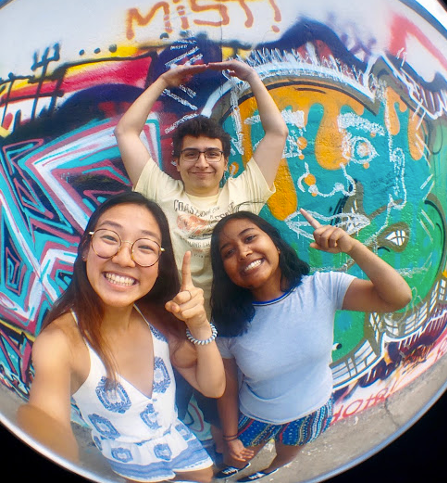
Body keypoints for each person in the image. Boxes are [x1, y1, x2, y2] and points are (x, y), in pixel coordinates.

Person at [17, 192, 225, 483]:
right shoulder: (61, 342)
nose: (124, 258)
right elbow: (47, 426)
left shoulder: (155, 317)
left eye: (145, 246)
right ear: (86, 249)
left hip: (177, 439)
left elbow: (212, 386)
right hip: (131, 465)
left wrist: (200, 325)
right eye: (110, 238)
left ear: (158, 264)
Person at [210, 208, 412, 481]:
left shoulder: (323, 288)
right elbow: (228, 387)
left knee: (287, 452)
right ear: (225, 271)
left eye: (249, 239)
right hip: (254, 417)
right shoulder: (228, 323)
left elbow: (397, 298)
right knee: (234, 456)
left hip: (313, 411)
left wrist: (352, 247)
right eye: (228, 252)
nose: (243, 253)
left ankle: (272, 469)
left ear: (277, 245)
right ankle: (239, 466)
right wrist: (231, 436)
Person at [114, 59, 289, 308]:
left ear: (226, 162)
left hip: (236, 323)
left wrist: (252, 77)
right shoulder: (159, 190)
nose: (202, 162)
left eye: (212, 154)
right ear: (177, 161)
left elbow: (277, 133)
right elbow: (126, 132)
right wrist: (162, 81)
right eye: (191, 154)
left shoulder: (245, 191)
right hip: (176, 320)